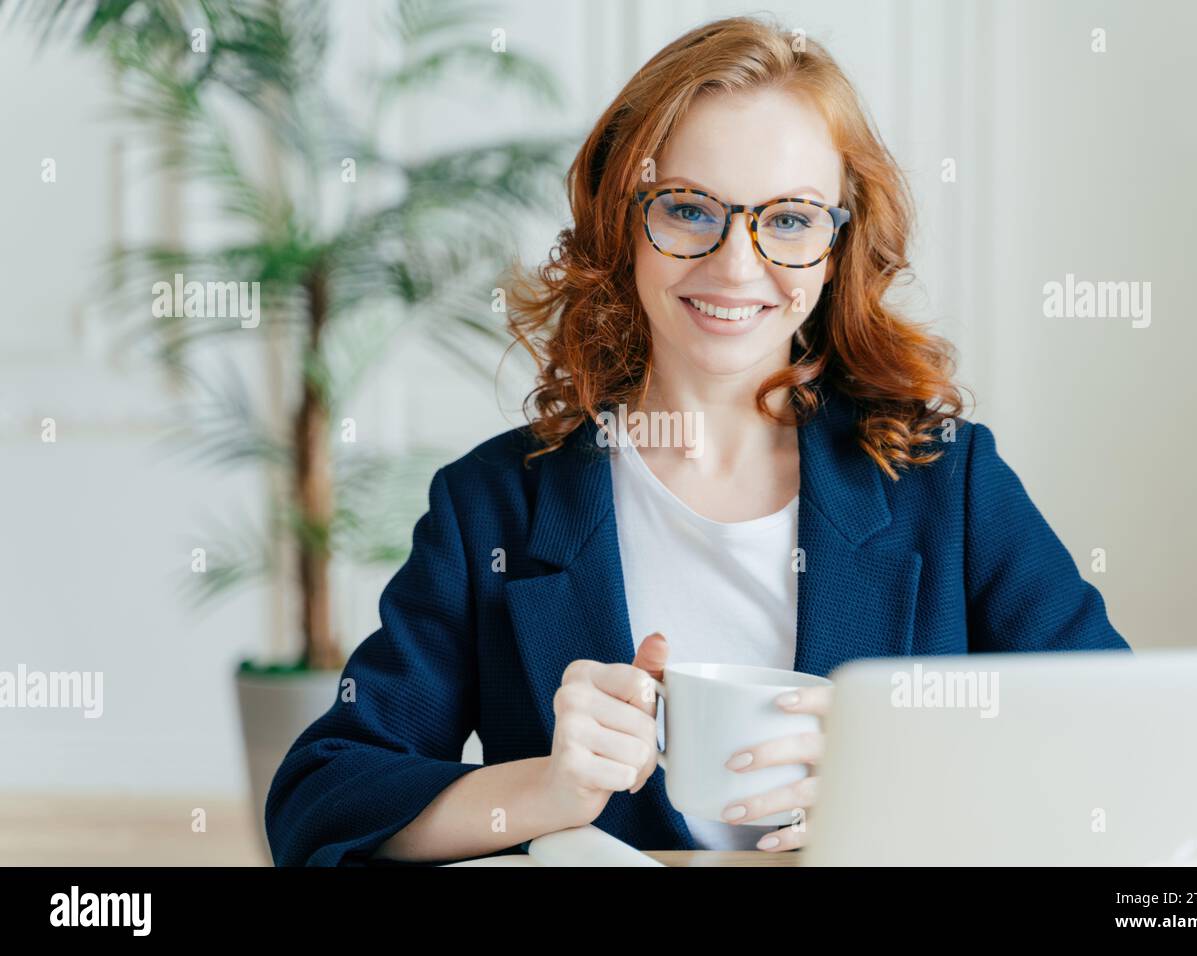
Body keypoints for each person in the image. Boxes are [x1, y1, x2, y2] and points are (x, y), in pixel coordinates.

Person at [265, 15, 1129, 867]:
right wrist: (544, 793)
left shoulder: (950, 482)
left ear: (837, 245)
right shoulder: (492, 505)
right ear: (621, 221)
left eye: (789, 220)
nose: (736, 266)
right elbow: (319, 800)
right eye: (687, 209)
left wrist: (903, 780)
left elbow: (1118, 741)